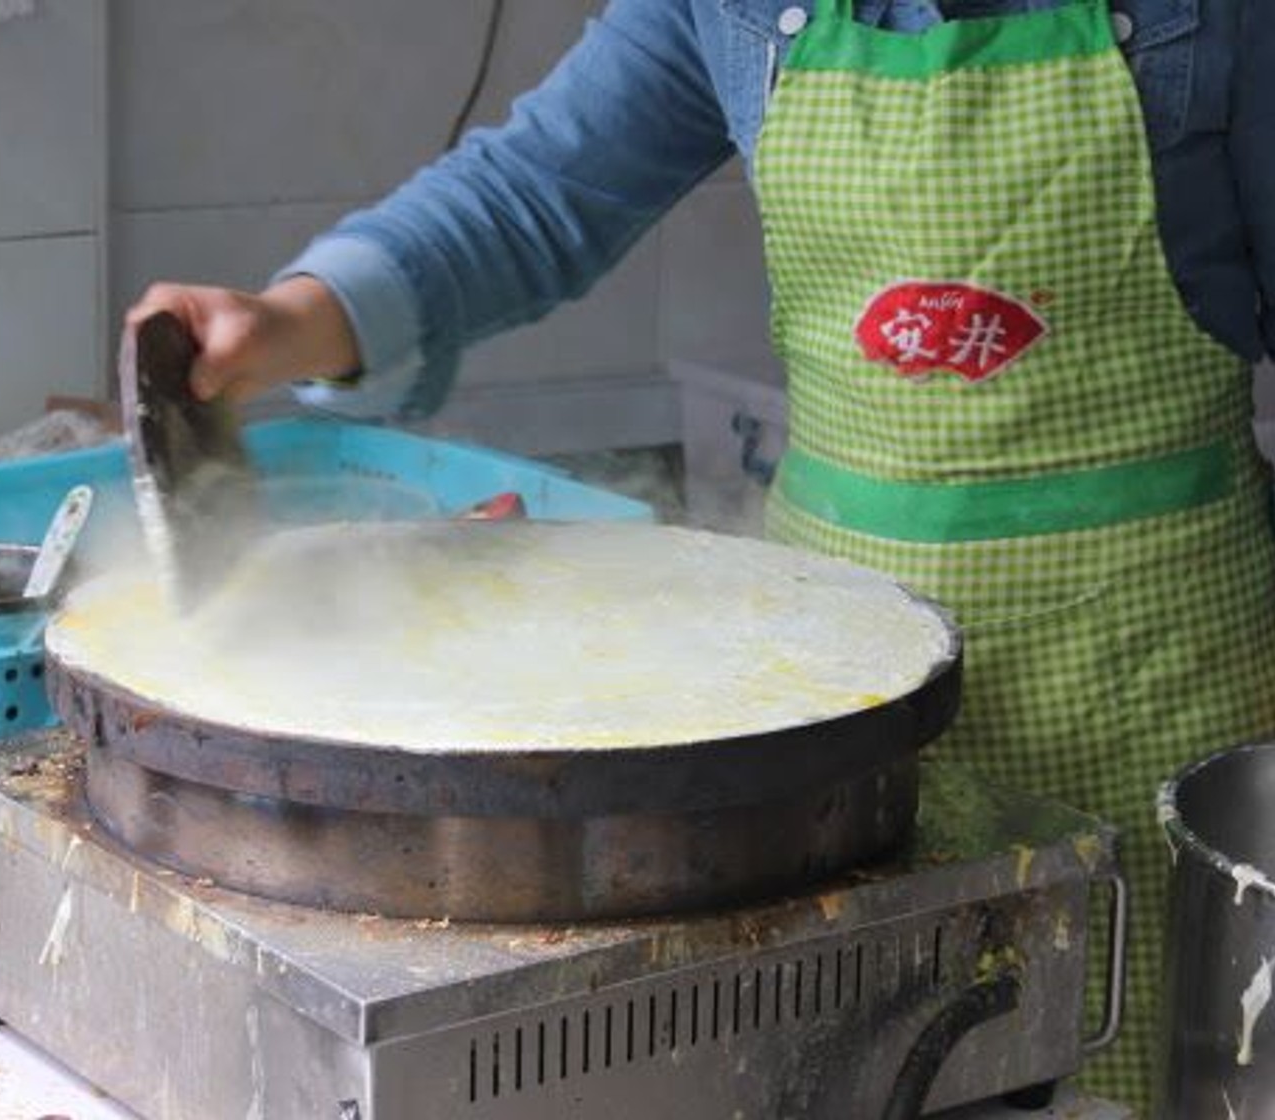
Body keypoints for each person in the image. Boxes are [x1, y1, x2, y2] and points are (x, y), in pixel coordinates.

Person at [127, 1, 1275, 1112]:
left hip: (1151, 658)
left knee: (1114, 1067)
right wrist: (288, 320)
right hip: (832, 699)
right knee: (866, 1059)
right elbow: (537, 192)